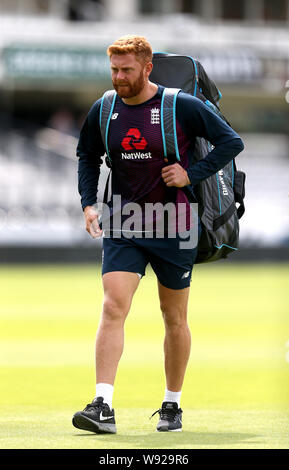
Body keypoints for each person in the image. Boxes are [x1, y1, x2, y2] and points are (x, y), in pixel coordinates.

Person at [72, 35, 244, 434]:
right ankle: (102, 405)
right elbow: (87, 154)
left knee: (173, 317)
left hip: (176, 223)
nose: (118, 77)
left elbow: (230, 142)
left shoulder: (180, 105)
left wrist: (191, 174)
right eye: (114, 69)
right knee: (113, 306)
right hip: (124, 221)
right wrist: (88, 202)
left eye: (126, 70)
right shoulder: (104, 108)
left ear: (147, 68)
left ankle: (172, 405)